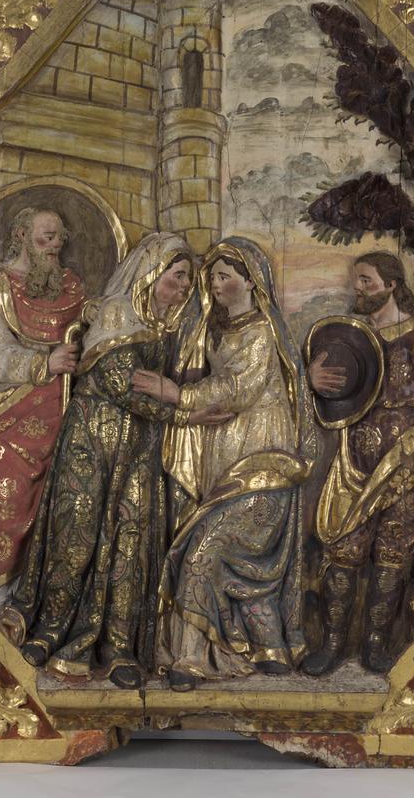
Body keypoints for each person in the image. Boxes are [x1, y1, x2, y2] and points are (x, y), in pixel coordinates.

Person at [0, 233, 228, 690]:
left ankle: (120, 646)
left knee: (131, 542)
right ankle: (51, 631)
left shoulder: (168, 326)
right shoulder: (116, 312)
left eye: (188, 279)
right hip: (92, 441)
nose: (184, 286)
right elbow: (122, 385)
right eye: (177, 276)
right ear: (150, 274)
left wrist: (179, 399)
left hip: (139, 449)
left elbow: (157, 387)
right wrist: (188, 413)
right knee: (77, 533)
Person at [133, 237, 317, 692]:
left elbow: (238, 388)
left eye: (223, 276)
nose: (214, 285)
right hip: (224, 462)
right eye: (211, 277)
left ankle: (190, 657)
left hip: (263, 462)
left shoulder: (262, 332)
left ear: (250, 281)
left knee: (203, 551)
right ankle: (270, 648)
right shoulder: (215, 329)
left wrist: (176, 393)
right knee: (237, 561)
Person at [303, 251, 414, 675]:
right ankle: (331, 644)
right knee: (344, 550)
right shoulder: (351, 338)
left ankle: (376, 644)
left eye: (366, 280)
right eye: (357, 281)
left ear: (391, 284)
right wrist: (311, 381)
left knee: (393, 553)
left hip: (406, 460)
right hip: (355, 458)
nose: (358, 289)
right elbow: (328, 394)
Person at [0, 207, 84, 607]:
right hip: (10, 408)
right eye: (46, 238)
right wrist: (45, 364)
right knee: (2, 479)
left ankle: (48, 603)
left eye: (60, 238)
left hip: (66, 406)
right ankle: (0, 596)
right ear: (22, 236)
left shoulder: (73, 288)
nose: (55, 246)